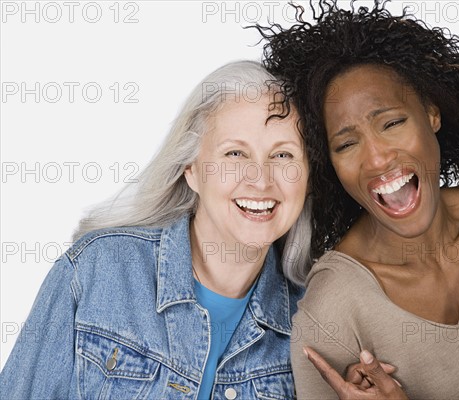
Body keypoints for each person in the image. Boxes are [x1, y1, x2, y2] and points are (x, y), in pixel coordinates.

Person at [258, 1, 459, 399]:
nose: (377, 158)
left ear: (432, 113)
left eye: (392, 123)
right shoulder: (331, 311)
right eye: (347, 143)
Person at [0, 61, 313, 399]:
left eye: (282, 155)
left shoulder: (314, 319)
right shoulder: (94, 272)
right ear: (190, 169)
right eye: (235, 153)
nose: (260, 179)